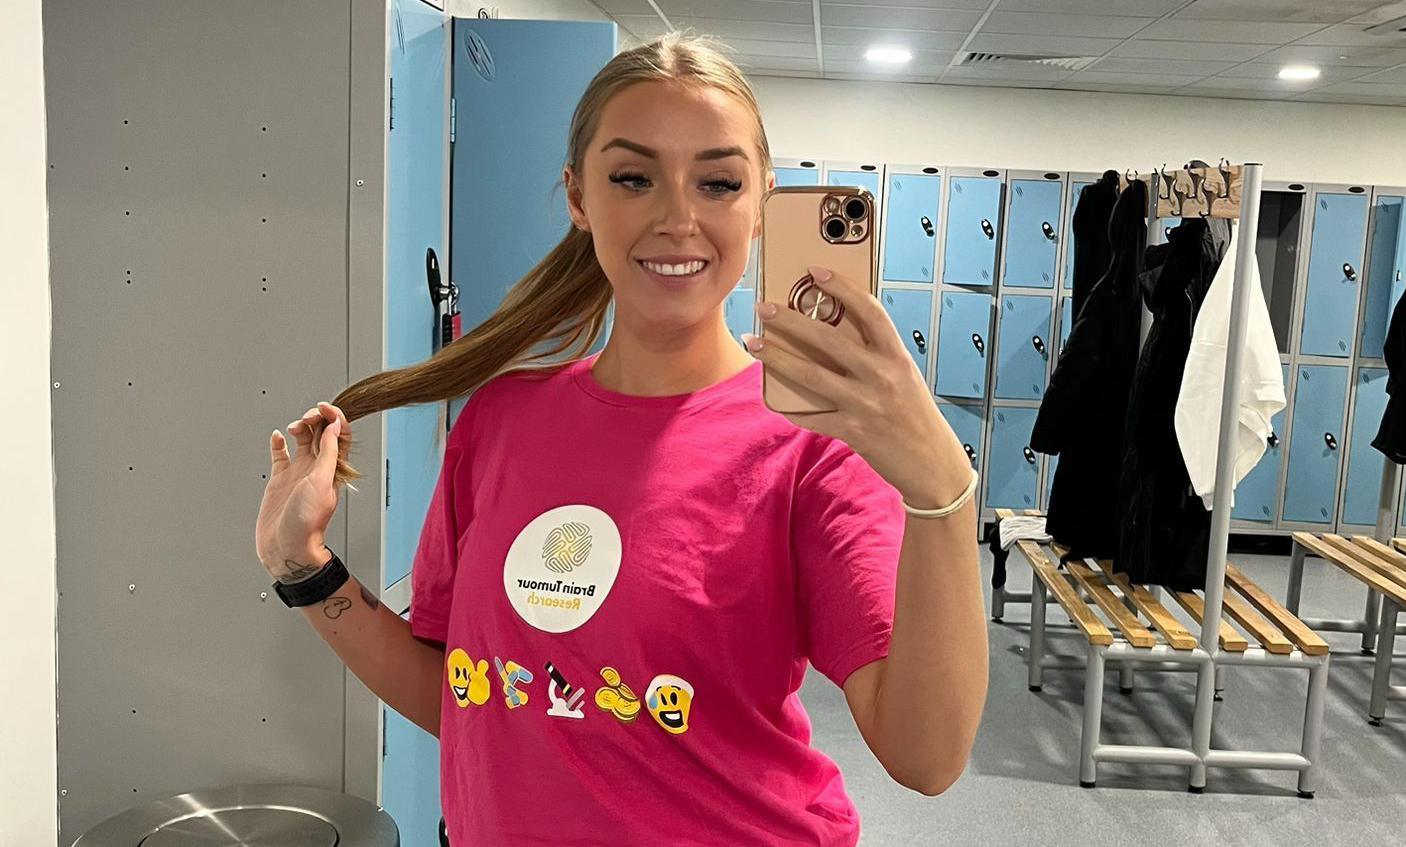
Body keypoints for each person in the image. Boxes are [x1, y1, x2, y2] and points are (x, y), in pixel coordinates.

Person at [254, 30, 987, 846]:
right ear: (578, 196)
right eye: (633, 178)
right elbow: (468, 694)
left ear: (761, 200)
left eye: (717, 182)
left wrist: (941, 492)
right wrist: (303, 569)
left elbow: (927, 757)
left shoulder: (809, 445)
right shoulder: (500, 422)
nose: (678, 218)